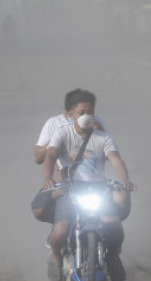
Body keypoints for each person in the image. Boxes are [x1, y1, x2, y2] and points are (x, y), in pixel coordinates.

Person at [41, 89, 135, 281]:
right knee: (59, 232)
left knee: (115, 226)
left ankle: (112, 257)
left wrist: (124, 180)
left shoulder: (102, 137)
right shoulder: (61, 133)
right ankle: (57, 257)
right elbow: (49, 157)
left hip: (98, 190)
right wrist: (48, 179)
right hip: (70, 190)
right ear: (71, 113)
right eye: (81, 111)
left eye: (89, 112)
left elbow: (116, 159)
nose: (86, 116)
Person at [31, 88, 111, 223]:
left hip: (92, 183)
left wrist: (99, 132)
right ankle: (58, 225)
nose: (80, 118)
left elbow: (110, 155)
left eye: (88, 111)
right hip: (62, 184)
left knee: (119, 205)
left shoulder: (97, 122)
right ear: (68, 111)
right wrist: (56, 140)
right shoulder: (54, 123)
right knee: (39, 210)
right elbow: (38, 158)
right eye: (75, 113)